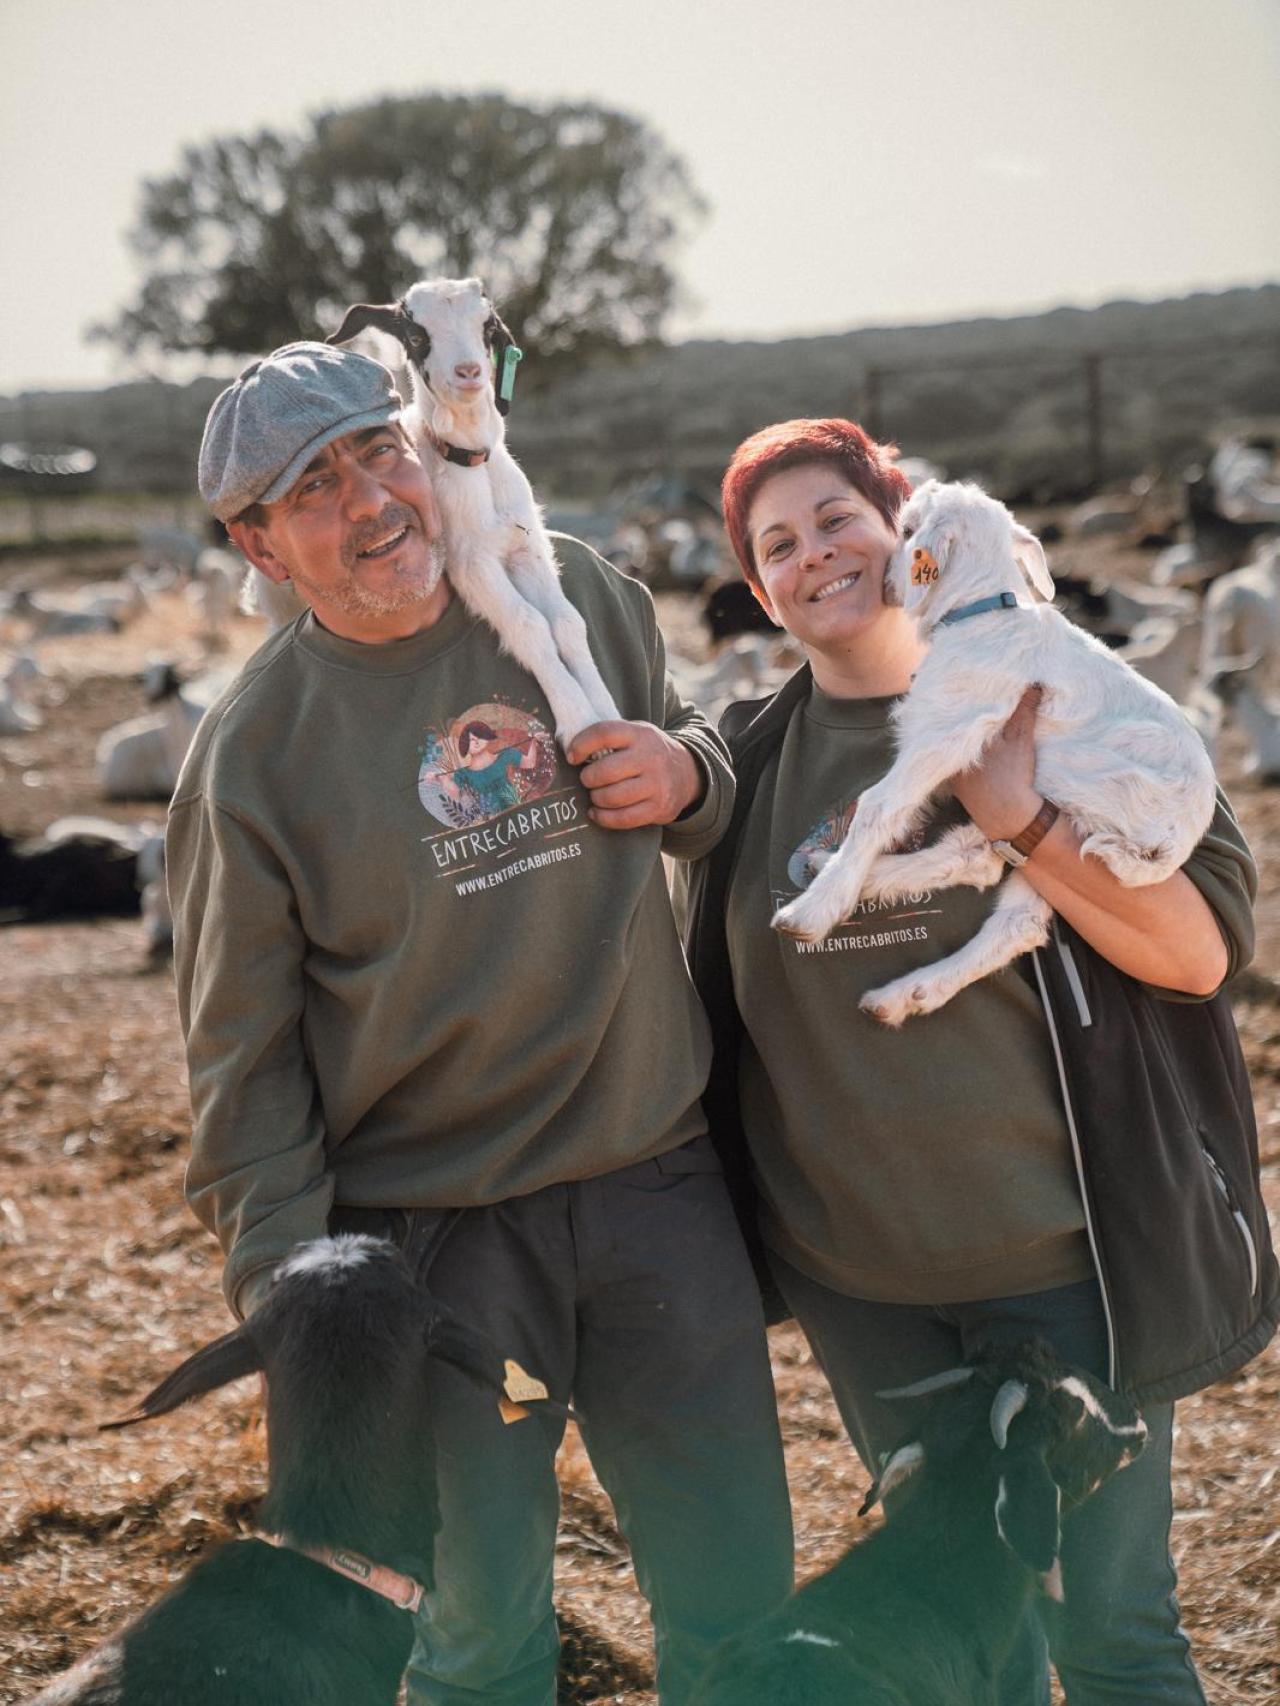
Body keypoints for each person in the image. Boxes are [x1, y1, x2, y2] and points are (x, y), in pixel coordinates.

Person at [167, 342, 793, 1705]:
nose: (369, 499)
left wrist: (687, 771)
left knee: (738, 1597)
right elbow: (242, 1064)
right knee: (479, 1638)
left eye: (377, 451)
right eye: (311, 488)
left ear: (426, 444)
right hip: (437, 1253)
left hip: (654, 1191)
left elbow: (705, 763)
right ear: (259, 543)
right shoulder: (254, 761)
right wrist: (305, 1310)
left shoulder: (565, 594)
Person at [684, 417, 1279, 1704]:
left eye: (837, 518)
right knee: (962, 1638)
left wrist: (1020, 820)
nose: (814, 556)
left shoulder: (1066, 698)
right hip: (863, 1286)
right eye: (774, 544)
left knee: (1110, 1635)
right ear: (759, 583)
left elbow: (1194, 954)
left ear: (906, 525)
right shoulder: (746, 762)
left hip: (1063, 1271)